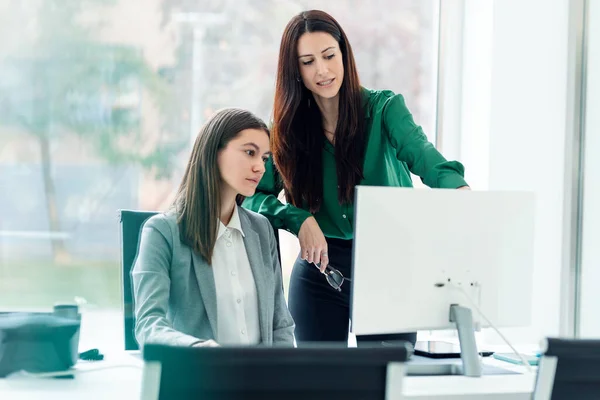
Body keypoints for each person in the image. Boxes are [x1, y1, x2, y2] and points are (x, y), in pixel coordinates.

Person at [243, 10, 469, 347]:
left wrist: (462, 195)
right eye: (308, 61)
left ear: (344, 55)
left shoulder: (385, 110)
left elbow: (427, 159)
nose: (322, 70)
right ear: (295, 71)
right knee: (318, 383)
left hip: (390, 270)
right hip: (320, 272)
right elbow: (251, 196)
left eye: (329, 55)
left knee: (385, 383)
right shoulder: (285, 132)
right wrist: (297, 219)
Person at [132, 108, 294, 348]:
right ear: (214, 152)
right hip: (201, 378)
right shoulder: (162, 233)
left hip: (262, 380)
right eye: (250, 152)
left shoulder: (261, 230)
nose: (260, 167)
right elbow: (148, 325)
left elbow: (280, 324)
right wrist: (198, 350)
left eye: (264, 158)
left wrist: (280, 376)